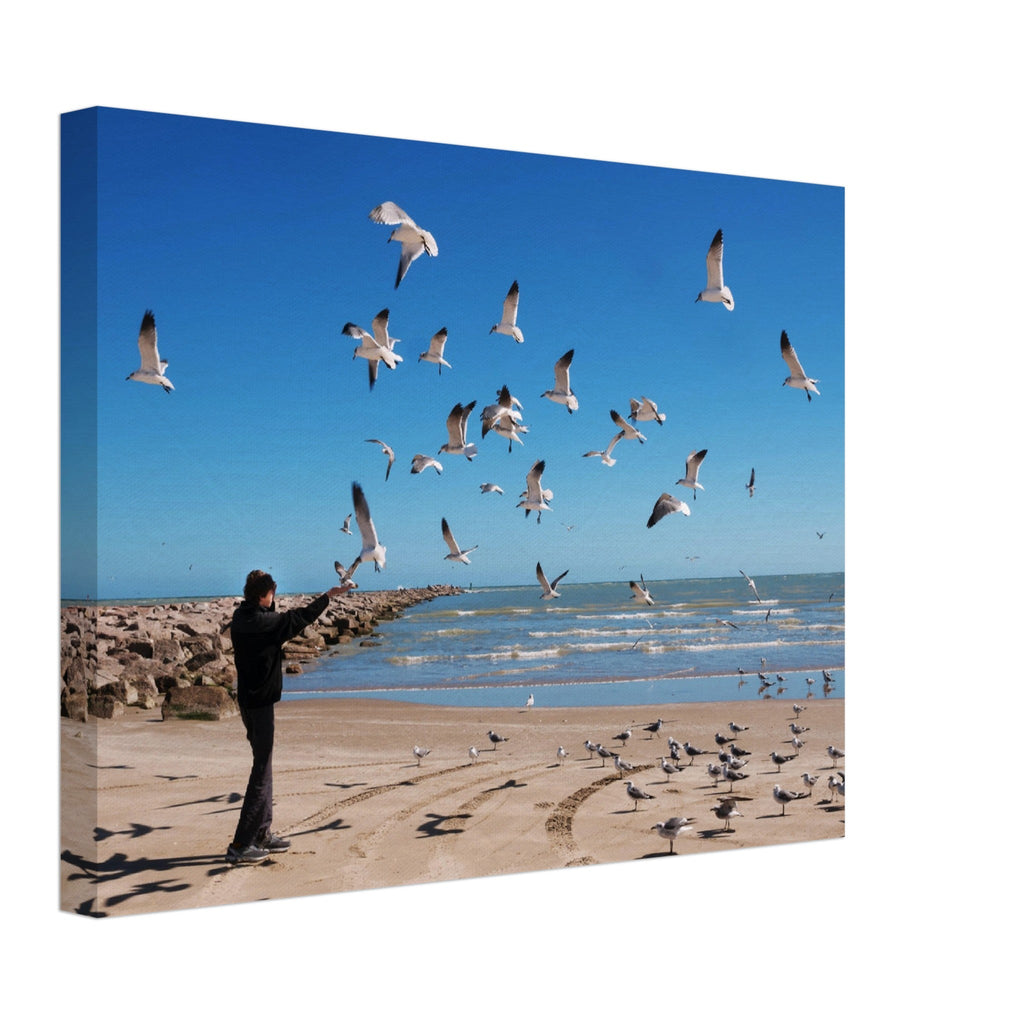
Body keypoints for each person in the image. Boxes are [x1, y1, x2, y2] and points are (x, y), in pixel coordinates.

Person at [226, 569, 353, 864]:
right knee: (260, 770)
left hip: (249, 701)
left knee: (264, 765)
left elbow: (282, 618)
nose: (275, 597)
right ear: (263, 594)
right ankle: (241, 845)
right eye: (272, 592)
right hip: (258, 705)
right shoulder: (262, 623)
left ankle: (261, 833)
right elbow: (297, 619)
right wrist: (328, 597)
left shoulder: (241, 616)